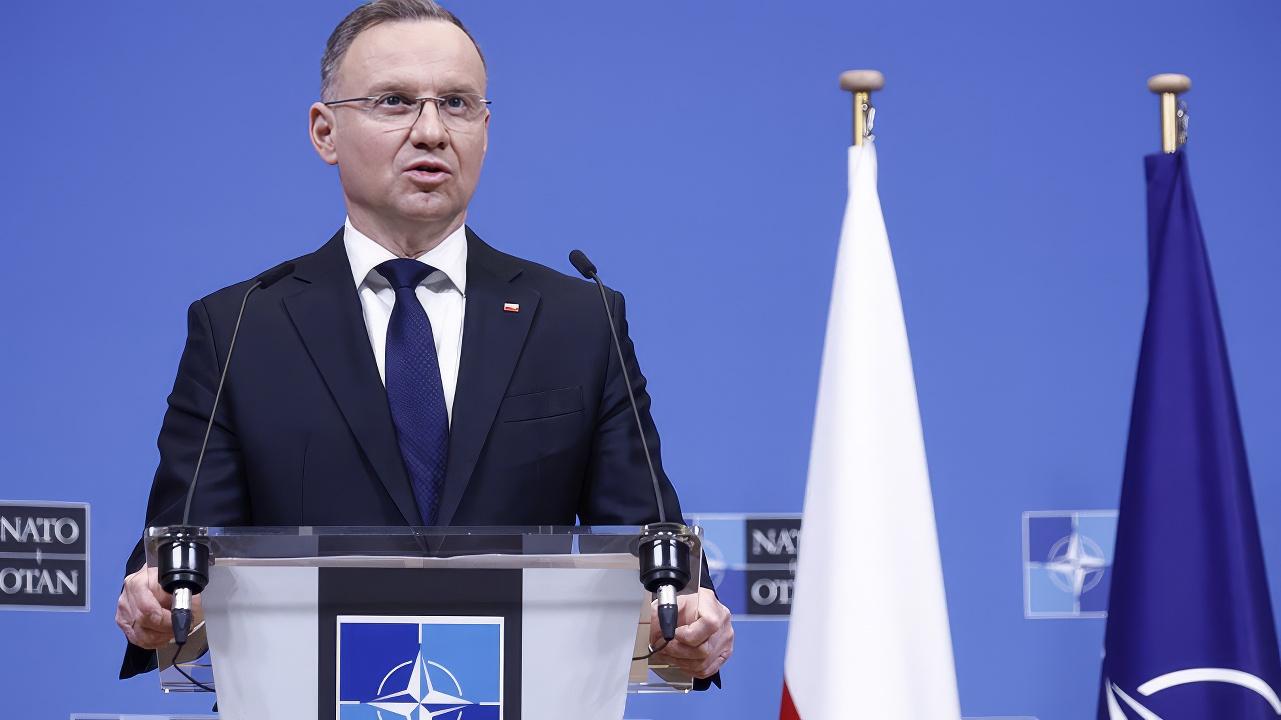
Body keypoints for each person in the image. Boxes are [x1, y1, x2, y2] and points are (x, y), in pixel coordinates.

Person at [114, 0, 732, 686]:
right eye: (395, 102)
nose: (431, 131)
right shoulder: (239, 327)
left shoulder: (578, 320)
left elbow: (652, 551)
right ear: (325, 132)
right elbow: (181, 561)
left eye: (457, 104)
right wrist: (161, 605)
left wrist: (688, 620)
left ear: (485, 131)